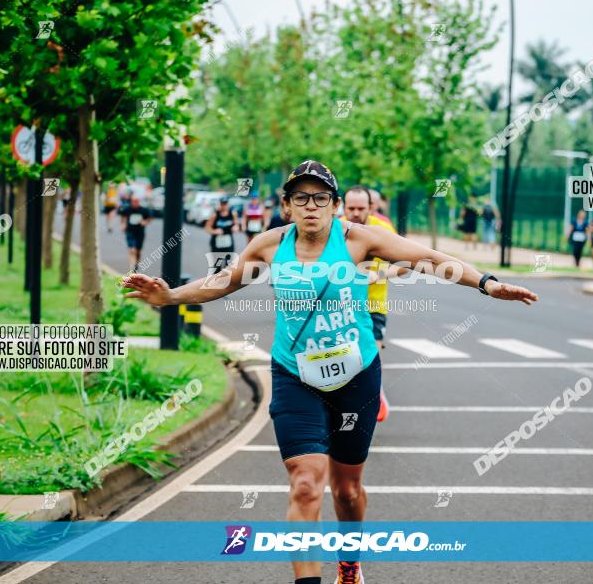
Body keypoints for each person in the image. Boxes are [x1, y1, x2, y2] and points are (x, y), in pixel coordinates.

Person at [122, 159, 537, 584]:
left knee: (346, 490)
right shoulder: (269, 245)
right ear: (286, 206)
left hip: (356, 376)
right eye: (301, 198)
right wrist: (171, 296)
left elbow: (429, 258)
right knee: (305, 484)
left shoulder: (359, 240)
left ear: (335, 205)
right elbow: (227, 280)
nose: (311, 206)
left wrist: (488, 284)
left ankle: (350, 562)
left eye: (321, 198)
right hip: (294, 374)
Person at [342, 186, 396, 423]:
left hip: (373, 304)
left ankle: (375, 393)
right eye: (350, 208)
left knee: (372, 350)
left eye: (360, 208)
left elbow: (407, 264)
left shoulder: (382, 230)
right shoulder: (334, 230)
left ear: (371, 207)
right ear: (341, 207)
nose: (355, 213)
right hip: (341, 305)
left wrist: (379, 275)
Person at [118, 196, 151, 273]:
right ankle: (131, 267)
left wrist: (144, 222)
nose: (134, 203)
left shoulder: (143, 210)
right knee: (132, 250)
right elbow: (124, 217)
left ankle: (136, 264)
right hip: (130, 231)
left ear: (139, 202)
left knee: (138, 251)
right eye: (133, 201)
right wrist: (123, 225)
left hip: (140, 232)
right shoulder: (128, 209)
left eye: (136, 201)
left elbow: (149, 218)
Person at [206, 196, 238, 273]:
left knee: (227, 262)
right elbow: (207, 228)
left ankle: (223, 281)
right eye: (223, 204)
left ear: (228, 204)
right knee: (218, 264)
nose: (224, 206)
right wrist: (215, 231)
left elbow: (236, 224)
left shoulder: (233, 214)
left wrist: (235, 227)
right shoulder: (215, 215)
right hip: (217, 242)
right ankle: (215, 280)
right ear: (220, 204)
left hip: (228, 241)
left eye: (226, 204)